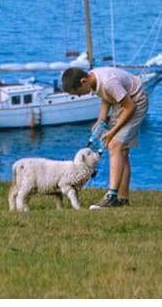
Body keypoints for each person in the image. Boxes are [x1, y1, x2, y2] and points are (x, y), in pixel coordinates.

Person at [60, 65, 149, 208]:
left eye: (77, 93)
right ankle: (122, 199)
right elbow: (106, 97)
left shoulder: (108, 82)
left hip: (135, 101)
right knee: (122, 152)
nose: (79, 96)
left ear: (83, 81)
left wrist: (112, 132)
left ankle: (112, 196)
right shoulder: (94, 80)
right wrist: (101, 120)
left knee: (115, 145)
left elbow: (130, 107)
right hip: (122, 102)